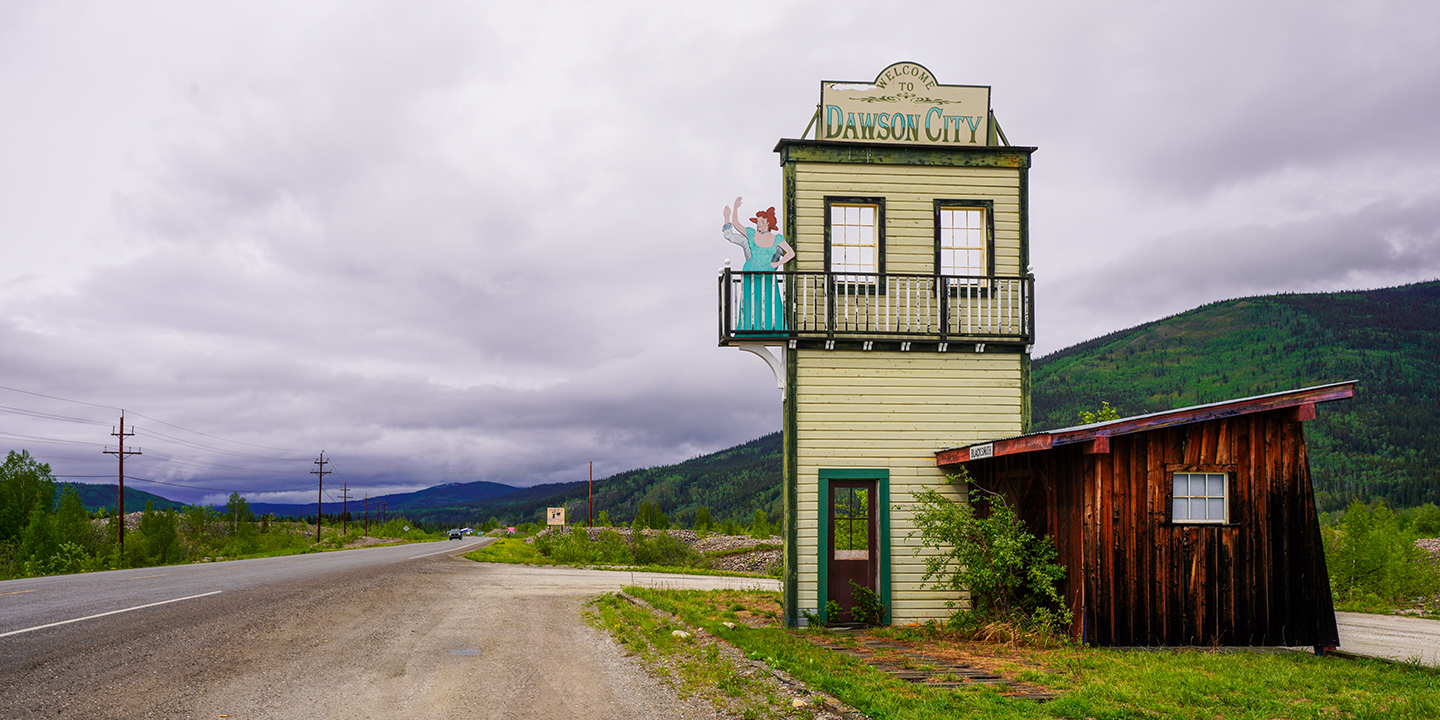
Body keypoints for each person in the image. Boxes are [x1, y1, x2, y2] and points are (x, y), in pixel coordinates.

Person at [722, 196, 794, 332]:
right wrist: (734, 210)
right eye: (758, 222)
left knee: (770, 298)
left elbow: (790, 253)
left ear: (768, 223)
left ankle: (775, 328)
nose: (758, 224)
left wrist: (776, 264)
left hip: (768, 271)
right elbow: (737, 225)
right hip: (751, 270)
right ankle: (748, 327)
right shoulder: (751, 234)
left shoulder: (776, 238)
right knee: (750, 299)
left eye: (761, 221)